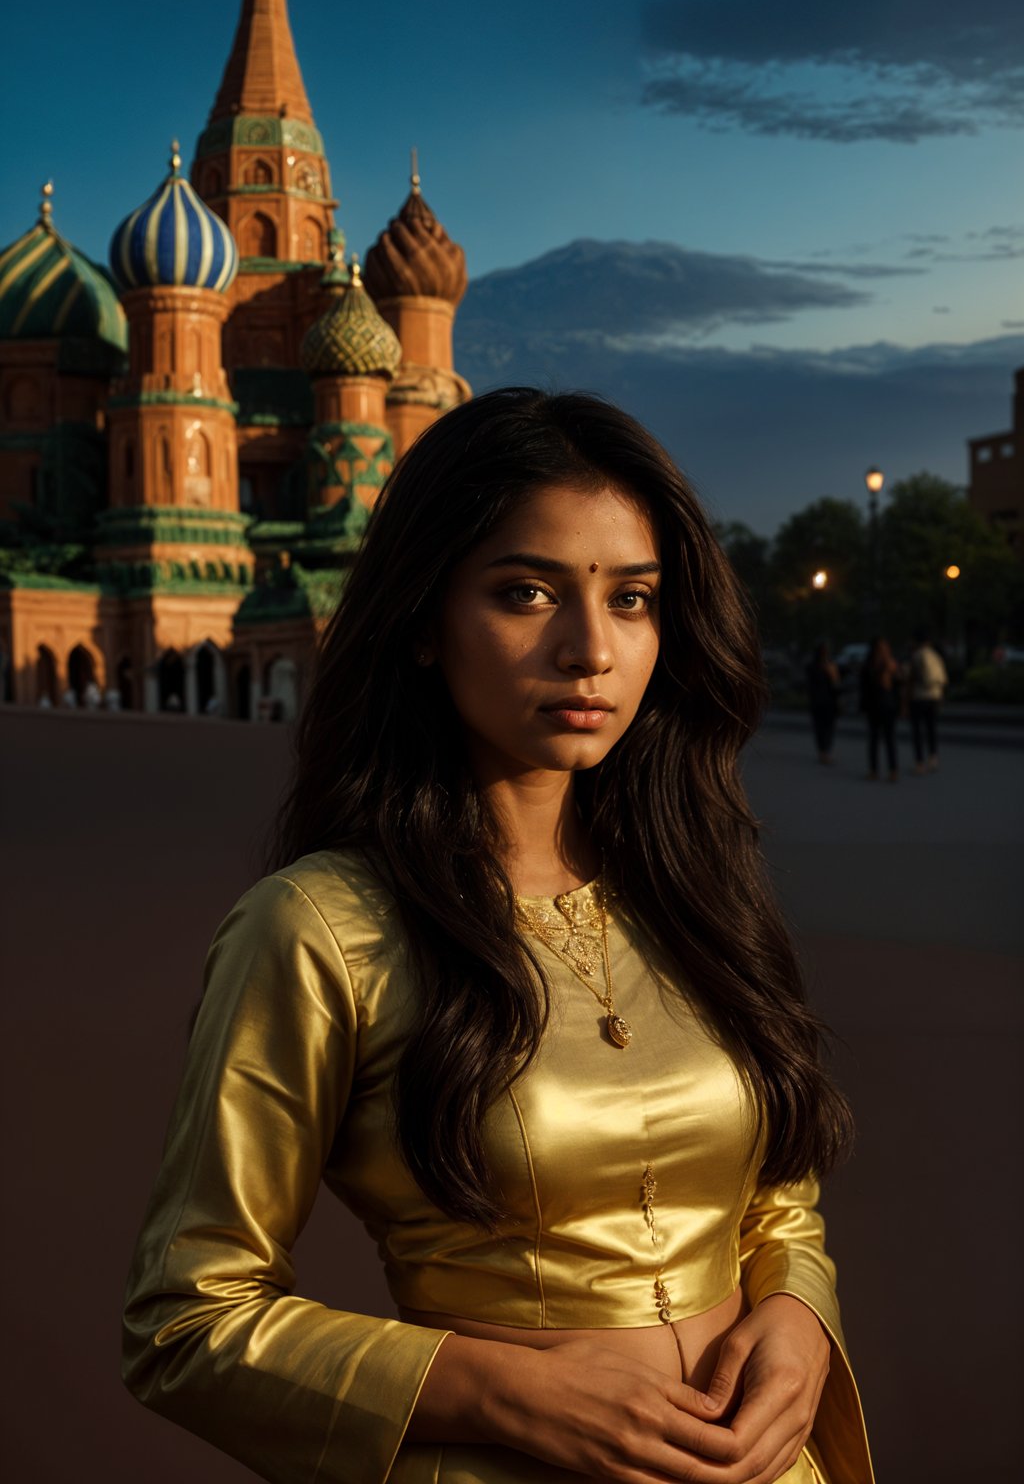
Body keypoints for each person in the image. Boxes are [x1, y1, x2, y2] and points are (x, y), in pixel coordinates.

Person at [122, 389, 874, 1484]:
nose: (589, 650)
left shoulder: (690, 886)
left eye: (631, 600)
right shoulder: (322, 928)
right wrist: (504, 1390)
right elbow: (184, 1321)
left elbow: (776, 1199)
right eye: (526, 593)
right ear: (424, 622)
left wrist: (801, 1323)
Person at [859, 637, 902, 782]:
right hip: (874, 706)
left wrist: (892, 673)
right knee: (874, 739)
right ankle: (874, 770)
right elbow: (865, 687)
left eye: (885, 648)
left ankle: (893, 770)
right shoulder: (869, 666)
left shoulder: (891, 664)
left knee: (889, 739)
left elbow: (896, 686)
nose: (884, 651)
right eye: (881, 648)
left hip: (888, 705)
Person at [907, 629, 948, 774]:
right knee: (931, 729)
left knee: (917, 731)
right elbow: (942, 678)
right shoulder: (935, 655)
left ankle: (919, 763)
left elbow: (911, 678)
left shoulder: (916, 655)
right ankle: (933, 758)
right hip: (934, 696)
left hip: (919, 697)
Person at [805, 643, 841, 765]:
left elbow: (836, 687)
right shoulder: (813, 668)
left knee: (829, 728)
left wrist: (833, 676)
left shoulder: (831, 667)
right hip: (819, 702)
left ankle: (826, 751)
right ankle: (823, 752)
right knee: (820, 728)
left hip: (829, 702)